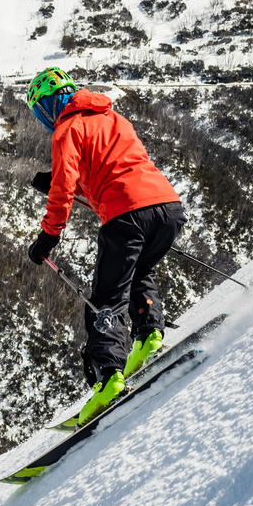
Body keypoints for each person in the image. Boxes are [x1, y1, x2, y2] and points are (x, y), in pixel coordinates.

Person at [25, 67, 186, 425]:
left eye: (41, 110)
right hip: (168, 209)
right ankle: (148, 335)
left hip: (125, 216)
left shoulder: (67, 130)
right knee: (137, 270)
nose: (43, 119)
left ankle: (109, 379)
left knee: (105, 301)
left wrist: (47, 237)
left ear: (51, 105)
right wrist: (55, 181)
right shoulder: (114, 117)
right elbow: (113, 168)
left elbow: (65, 188)